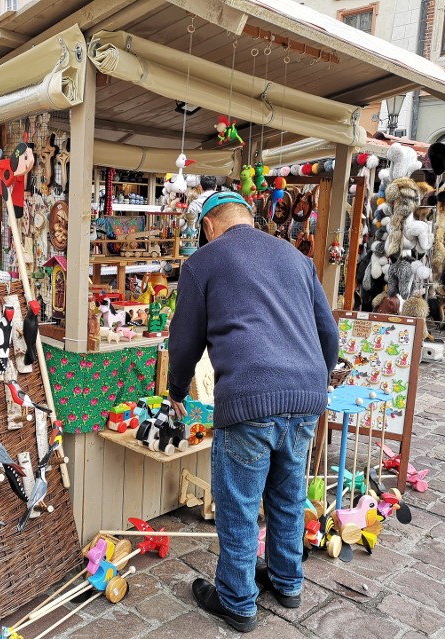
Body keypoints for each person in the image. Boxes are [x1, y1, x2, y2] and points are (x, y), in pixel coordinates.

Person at [166, 191, 338, 632]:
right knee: (287, 494)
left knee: (239, 505)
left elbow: (184, 341)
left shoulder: (202, 262)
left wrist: (176, 389)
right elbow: (327, 333)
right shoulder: (294, 258)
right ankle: (287, 582)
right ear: (249, 217)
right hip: (305, 398)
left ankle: (238, 602)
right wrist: (314, 379)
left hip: (249, 399)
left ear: (207, 226)